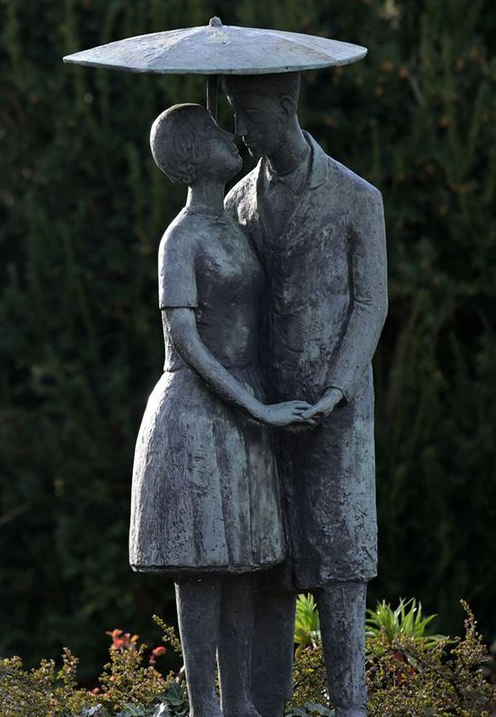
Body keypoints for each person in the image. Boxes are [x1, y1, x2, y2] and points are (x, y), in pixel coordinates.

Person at [130, 103, 312, 717]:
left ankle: (239, 705)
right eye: (210, 131)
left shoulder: (235, 222)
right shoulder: (179, 239)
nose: (226, 133)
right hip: (196, 414)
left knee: (241, 564)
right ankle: (203, 703)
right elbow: (185, 340)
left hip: (241, 413)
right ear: (187, 160)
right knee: (202, 566)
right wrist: (255, 406)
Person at [222, 72, 388, 717]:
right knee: (269, 560)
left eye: (252, 115)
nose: (242, 131)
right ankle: (269, 707)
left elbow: (371, 303)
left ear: (286, 107)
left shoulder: (355, 197)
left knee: (342, 560)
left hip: (335, 411)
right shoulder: (236, 202)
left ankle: (351, 707)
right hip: (262, 410)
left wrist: (337, 388)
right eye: (235, 116)